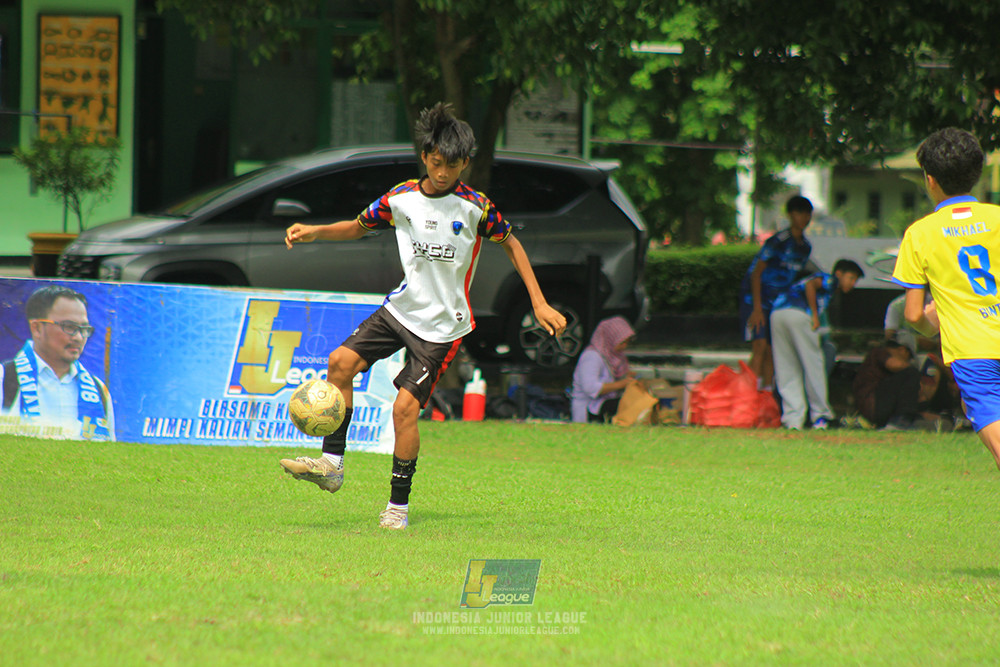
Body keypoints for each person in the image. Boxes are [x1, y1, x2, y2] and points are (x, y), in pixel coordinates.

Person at [277, 103, 567, 529]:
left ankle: (397, 508)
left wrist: (539, 302)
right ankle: (332, 465)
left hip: (443, 327)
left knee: (404, 410)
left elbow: (513, 244)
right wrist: (314, 231)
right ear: (425, 156)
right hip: (402, 309)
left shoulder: (476, 207)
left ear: (465, 163)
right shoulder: (401, 198)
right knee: (339, 363)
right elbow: (358, 226)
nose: (443, 172)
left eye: (452, 165)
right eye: (435, 163)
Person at [891, 127, 1000, 467]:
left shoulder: (920, 234)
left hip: (974, 351)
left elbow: (912, 316)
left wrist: (930, 324)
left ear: (931, 180)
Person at [0, 285, 115, 441]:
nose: (79, 338)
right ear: (37, 328)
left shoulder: (98, 390)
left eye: (84, 329)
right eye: (69, 327)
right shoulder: (4, 379)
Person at [769, 259, 864, 430]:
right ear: (839, 274)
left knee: (787, 366)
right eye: (851, 278)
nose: (852, 283)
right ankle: (821, 416)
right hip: (799, 314)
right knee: (814, 365)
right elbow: (810, 285)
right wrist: (813, 314)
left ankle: (792, 419)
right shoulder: (829, 279)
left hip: (778, 313)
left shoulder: (828, 285)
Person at [739, 195, 814, 390]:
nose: (804, 218)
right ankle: (747, 396)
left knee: (774, 351)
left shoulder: (805, 246)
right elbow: (756, 274)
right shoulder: (778, 241)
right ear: (790, 215)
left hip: (778, 303)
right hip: (756, 300)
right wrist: (756, 308)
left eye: (808, 214)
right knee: (760, 346)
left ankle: (765, 397)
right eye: (799, 213)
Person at [570, 316, 637, 423]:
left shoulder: (614, 356)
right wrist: (623, 383)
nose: (624, 346)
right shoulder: (592, 356)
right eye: (622, 342)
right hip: (588, 411)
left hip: (603, 404)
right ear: (611, 339)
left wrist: (627, 378)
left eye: (627, 342)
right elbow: (591, 388)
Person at [852, 339, 922, 430]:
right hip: (873, 403)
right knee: (911, 373)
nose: (907, 360)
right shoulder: (879, 352)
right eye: (908, 357)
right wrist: (913, 369)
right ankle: (900, 420)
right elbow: (894, 364)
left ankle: (903, 419)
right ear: (902, 350)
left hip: (878, 405)